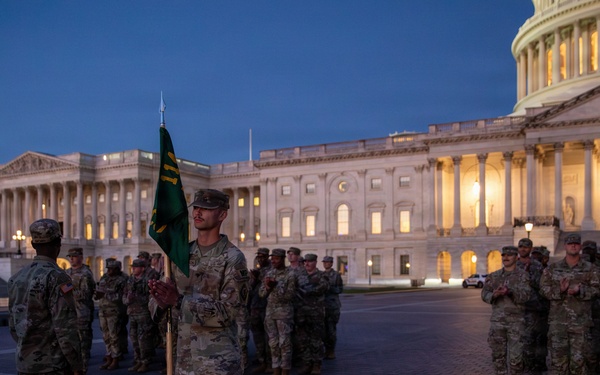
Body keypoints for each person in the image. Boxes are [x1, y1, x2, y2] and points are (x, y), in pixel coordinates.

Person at [148, 188, 250, 375]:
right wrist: (161, 303)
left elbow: (229, 313)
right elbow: (157, 307)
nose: (198, 212)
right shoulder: (180, 255)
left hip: (218, 363)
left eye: (206, 208)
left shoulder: (233, 258)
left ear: (222, 214)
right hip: (185, 362)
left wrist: (178, 301)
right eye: (196, 207)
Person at [8, 219, 84, 375]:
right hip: (52, 365)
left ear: (33, 244)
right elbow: (65, 328)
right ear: (58, 243)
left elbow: (13, 325)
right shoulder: (57, 277)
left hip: (24, 363)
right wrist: (77, 365)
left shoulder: (16, 278)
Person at [540, 233, 600, 374]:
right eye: (570, 243)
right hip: (558, 324)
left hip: (581, 325)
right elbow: (543, 290)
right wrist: (559, 290)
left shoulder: (591, 269)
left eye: (576, 244)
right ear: (565, 246)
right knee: (558, 364)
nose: (573, 245)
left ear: (579, 247)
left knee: (579, 364)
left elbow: (597, 289)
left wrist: (581, 291)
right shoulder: (552, 269)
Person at [481, 245, 532, 375]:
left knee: (516, 359)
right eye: (504, 255)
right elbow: (484, 294)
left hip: (516, 324)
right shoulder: (494, 276)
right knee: (498, 358)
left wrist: (509, 292)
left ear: (516, 257)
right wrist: (494, 295)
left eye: (509, 255)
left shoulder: (523, 276)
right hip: (497, 323)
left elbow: (526, 296)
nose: (506, 257)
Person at [259, 248, 297, 375]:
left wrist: (276, 288)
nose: (273, 261)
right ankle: (276, 369)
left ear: (282, 259)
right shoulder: (269, 273)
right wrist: (268, 287)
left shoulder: (290, 274)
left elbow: (290, 296)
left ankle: (285, 370)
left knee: (285, 343)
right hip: (270, 314)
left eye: (276, 258)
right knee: (273, 343)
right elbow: (261, 294)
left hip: (284, 314)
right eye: (272, 258)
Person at [515, 238, 547, 372]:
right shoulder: (513, 264)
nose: (523, 249)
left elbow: (541, 285)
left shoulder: (536, 265)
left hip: (533, 307)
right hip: (516, 308)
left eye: (526, 247)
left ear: (530, 249)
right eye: (521, 246)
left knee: (533, 338)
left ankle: (535, 364)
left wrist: (528, 275)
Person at [295, 253, 329, 375]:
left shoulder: (321, 276)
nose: (307, 264)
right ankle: (307, 363)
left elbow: (322, 288)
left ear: (315, 262)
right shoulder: (300, 276)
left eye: (309, 261)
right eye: (305, 262)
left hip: (316, 313)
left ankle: (316, 365)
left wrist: (305, 290)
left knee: (316, 340)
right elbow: (294, 289)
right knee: (303, 340)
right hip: (301, 313)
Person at [66, 247, 96, 373]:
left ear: (80, 257)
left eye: (74, 256)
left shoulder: (85, 273)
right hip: (69, 314)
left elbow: (86, 294)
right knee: (70, 343)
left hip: (82, 313)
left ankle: (82, 370)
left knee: (83, 344)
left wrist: (67, 292)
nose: (71, 259)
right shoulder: (67, 272)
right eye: (70, 256)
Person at [96, 258, 128, 370]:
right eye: (108, 269)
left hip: (113, 310)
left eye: (111, 269)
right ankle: (109, 356)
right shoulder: (104, 278)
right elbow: (99, 289)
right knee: (106, 336)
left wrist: (105, 294)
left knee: (114, 336)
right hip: (103, 309)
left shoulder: (121, 280)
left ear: (116, 269)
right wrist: (97, 295)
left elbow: (120, 297)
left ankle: (115, 358)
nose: (108, 271)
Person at [123, 258, 155, 372]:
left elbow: (151, 297)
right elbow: (125, 294)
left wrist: (136, 297)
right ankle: (138, 360)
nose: (133, 269)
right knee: (134, 338)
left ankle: (145, 361)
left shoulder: (147, 281)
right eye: (132, 267)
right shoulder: (130, 280)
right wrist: (126, 300)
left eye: (135, 267)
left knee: (144, 340)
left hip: (143, 313)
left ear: (142, 268)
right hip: (132, 313)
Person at [249, 248, 273, 374]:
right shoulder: (257, 271)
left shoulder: (271, 270)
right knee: (257, 336)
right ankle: (262, 361)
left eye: (263, 256)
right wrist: (253, 279)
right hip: (255, 307)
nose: (260, 259)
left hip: (267, 307)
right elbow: (250, 290)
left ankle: (270, 363)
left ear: (267, 257)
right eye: (259, 256)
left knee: (268, 337)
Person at [322, 255, 343, 360]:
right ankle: (325, 349)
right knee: (323, 330)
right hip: (323, 306)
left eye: (327, 262)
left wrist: (330, 288)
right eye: (324, 262)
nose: (326, 264)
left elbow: (340, 289)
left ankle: (331, 351)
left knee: (331, 330)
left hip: (332, 306)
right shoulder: (321, 275)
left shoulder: (336, 275)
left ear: (331, 263)